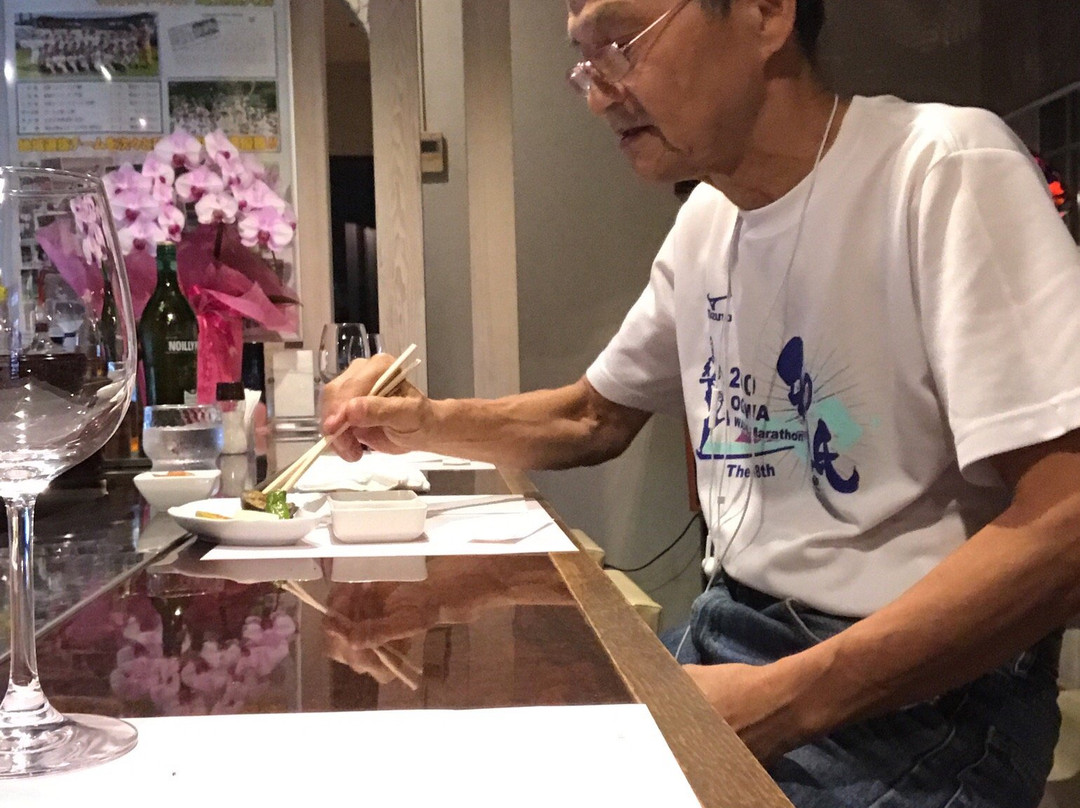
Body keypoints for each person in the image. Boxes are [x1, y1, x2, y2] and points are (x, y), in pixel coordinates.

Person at [320, 1, 1080, 805]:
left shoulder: (943, 167)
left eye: (621, 44)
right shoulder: (708, 220)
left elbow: (1066, 524)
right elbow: (592, 417)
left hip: (920, 694)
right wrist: (423, 421)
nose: (598, 95)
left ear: (766, 13)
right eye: (585, 62)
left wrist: (782, 701)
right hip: (731, 627)